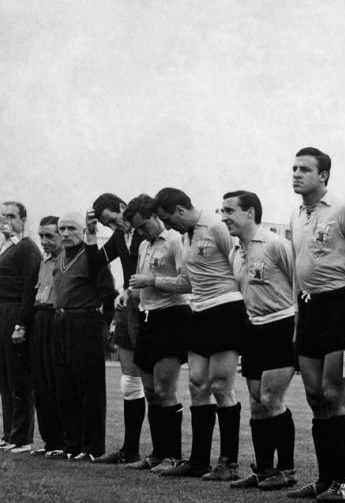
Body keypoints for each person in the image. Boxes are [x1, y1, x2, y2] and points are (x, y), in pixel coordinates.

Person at [285, 147, 345, 503]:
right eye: (293, 168)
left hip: (340, 303)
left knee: (335, 394)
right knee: (314, 396)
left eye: (305, 169)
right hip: (308, 308)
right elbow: (297, 270)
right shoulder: (297, 215)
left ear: (323, 175)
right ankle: (325, 479)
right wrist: (295, 316)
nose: (296, 174)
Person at [154, 187, 247, 480]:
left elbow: (240, 269)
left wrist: (246, 311)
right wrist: (152, 281)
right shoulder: (185, 235)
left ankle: (228, 463)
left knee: (221, 386)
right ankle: (198, 461)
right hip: (199, 312)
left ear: (180, 210)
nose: (169, 226)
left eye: (169, 219)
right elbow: (188, 282)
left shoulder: (217, 226)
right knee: (196, 384)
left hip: (226, 310)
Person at [220, 190, 299, 491]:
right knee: (256, 403)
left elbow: (298, 284)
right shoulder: (235, 253)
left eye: (230, 211)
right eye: (222, 211)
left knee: (271, 399)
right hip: (253, 330)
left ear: (250, 212)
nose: (224, 217)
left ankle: (287, 469)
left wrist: (297, 329)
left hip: (281, 326)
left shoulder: (277, 245)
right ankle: (264, 469)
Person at [116, 193, 192, 474]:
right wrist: (128, 293)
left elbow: (188, 283)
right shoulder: (144, 246)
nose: (141, 232)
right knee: (150, 391)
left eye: (144, 226)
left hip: (172, 318)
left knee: (164, 389)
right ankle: (157, 453)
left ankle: (173, 455)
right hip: (147, 318)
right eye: (136, 229)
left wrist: (153, 281)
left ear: (157, 217)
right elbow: (140, 283)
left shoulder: (175, 241)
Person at [86, 193, 148, 466]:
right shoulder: (119, 237)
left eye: (113, 220)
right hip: (128, 309)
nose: (113, 227)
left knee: (156, 385)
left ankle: (165, 453)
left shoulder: (147, 231)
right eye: (107, 226)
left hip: (152, 307)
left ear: (123, 208)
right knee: (129, 381)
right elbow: (94, 263)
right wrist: (90, 234)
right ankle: (129, 450)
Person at [52, 212, 116, 460]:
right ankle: (72, 444)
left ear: (82, 231)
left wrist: (102, 323)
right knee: (64, 384)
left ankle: (92, 447)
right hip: (61, 320)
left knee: (89, 386)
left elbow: (108, 292)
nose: (66, 233)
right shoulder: (59, 258)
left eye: (71, 228)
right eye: (62, 229)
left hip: (85, 322)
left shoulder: (92, 257)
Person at [0, 201, 41, 453]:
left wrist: (21, 324)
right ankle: (9, 435)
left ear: (23, 220)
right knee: (5, 379)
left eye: (11, 216)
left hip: (15, 313)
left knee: (19, 379)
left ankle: (22, 438)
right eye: (2, 217)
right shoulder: (1, 249)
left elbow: (30, 290)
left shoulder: (28, 248)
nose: (6, 221)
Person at [29, 216, 64, 457]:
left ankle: (63, 441)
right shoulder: (44, 261)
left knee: (56, 381)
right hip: (39, 317)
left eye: (50, 236)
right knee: (40, 382)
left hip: (56, 318)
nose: (44, 240)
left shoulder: (66, 261)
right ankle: (50, 441)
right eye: (41, 236)